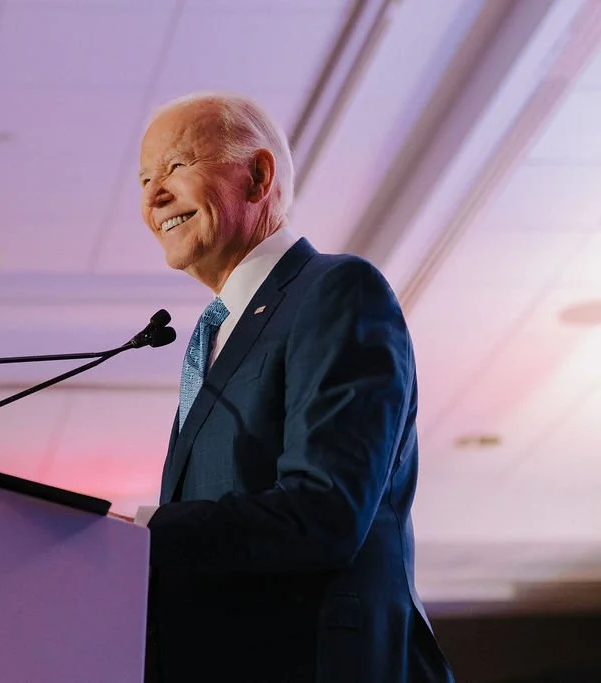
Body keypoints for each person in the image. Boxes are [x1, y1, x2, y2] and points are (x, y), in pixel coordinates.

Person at [134, 92, 455, 682]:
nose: (153, 196)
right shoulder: (214, 337)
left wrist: (142, 533)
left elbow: (324, 511)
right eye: (146, 177)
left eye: (176, 166)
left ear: (257, 176)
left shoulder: (335, 290)